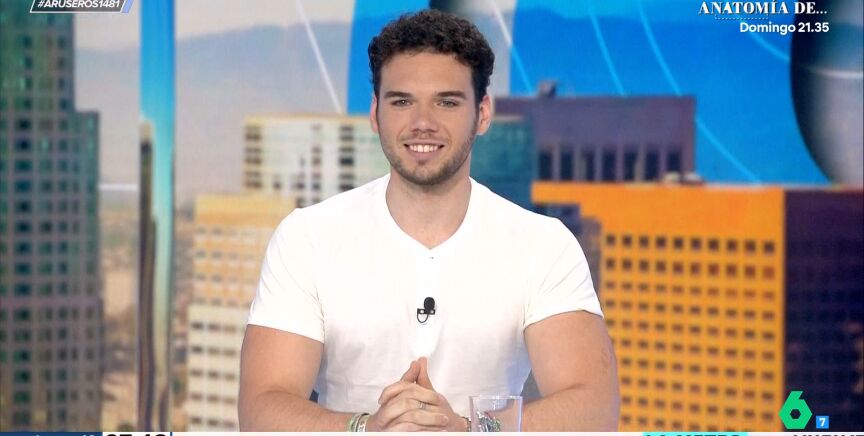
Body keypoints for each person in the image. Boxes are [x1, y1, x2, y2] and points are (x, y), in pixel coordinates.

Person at [238, 9, 619, 432]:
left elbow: (593, 407)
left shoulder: (543, 245)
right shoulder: (307, 237)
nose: (423, 123)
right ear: (375, 113)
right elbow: (262, 408)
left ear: (482, 114)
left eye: (447, 102)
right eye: (402, 101)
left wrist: (468, 429)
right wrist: (368, 428)